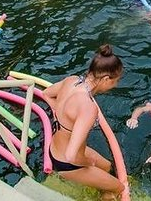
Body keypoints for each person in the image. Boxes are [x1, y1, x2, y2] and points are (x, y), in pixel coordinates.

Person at [42, 45, 124, 199]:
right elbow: (72, 156)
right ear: (106, 79)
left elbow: (46, 94)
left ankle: (101, 186)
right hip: (67, 163)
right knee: (119, 188)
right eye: (116, 81)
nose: (116, 85)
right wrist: (89, 163)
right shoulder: (88, 107)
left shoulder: (72, 80)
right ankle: (105, 194)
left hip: (55, 148)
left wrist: (61, 115)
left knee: (107, 166)